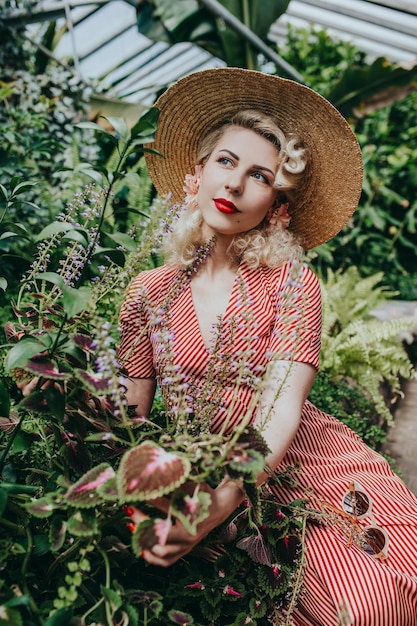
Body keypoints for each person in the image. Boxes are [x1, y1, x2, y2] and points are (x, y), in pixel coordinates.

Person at [117, 68, 417, 625]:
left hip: (299, 466)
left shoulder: (291, 285)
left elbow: (279, 412)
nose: (233, 185)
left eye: (259, 175)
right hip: (195, 463)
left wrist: (220, 505)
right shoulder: (148, 292)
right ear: (196, 174)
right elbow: (128, 418)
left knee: (374, 602)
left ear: (277, 204)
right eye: (226, 162)